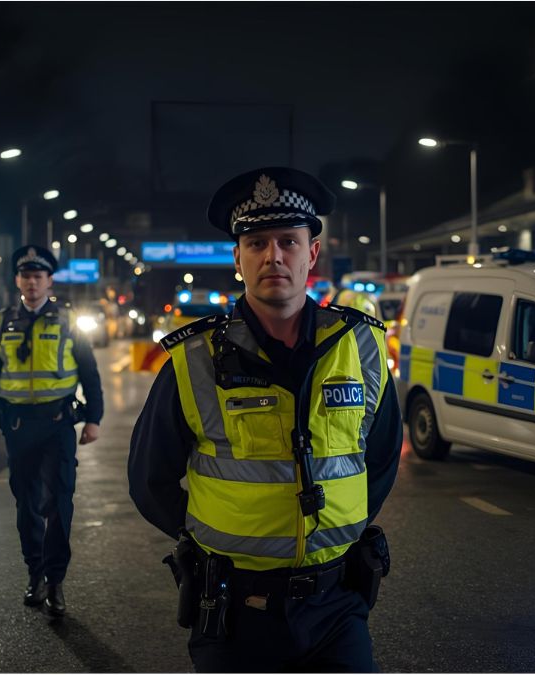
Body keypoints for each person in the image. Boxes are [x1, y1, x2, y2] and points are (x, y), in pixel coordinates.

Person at [128, 167, 403, 672]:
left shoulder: (360, 347)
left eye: (287, 241)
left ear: (312, 253)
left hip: (336, 605)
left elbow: (380, 459)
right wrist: (207, 538)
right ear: (238, 259)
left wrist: (342, 528)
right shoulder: (194, 360)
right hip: (236, 612)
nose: (273, 256)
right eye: (256, 243)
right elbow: (150, 480)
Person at [0, 244, 103, 617]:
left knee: (59, 503)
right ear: (17, 280)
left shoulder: (67, 319)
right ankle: (36, 575)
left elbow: (89, 372)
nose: (32, 282)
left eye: (38, 276)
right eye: (25, 276)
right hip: (18, 427)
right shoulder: (3, 322)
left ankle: (56, 581)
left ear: (49, 280)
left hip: (58, 424)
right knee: (26, 504)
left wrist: (94, 418)